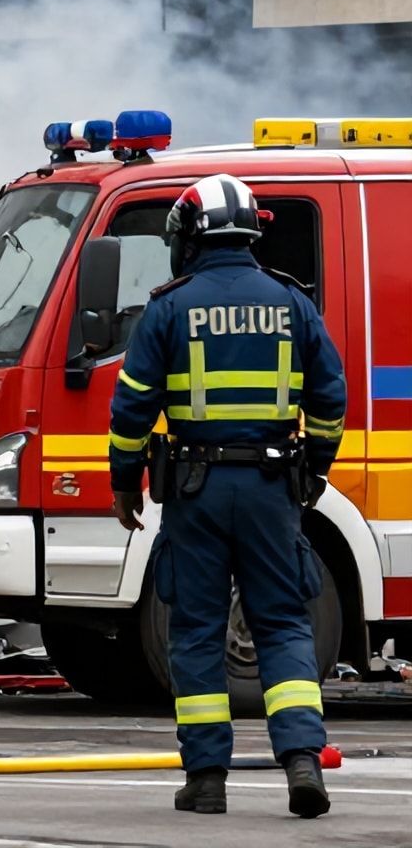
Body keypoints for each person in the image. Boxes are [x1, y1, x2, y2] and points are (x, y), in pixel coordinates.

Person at [109, 173, 345, 820]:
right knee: (283, 623)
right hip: (274, 489)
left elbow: (131, 408)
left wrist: (125, 482)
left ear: (191, 237)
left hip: (195, 489)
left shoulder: (169, 307)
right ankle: (302, 762)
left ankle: (206, 779)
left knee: (195, 628)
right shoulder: (292, 303)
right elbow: (330, 397)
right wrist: (316, 468)